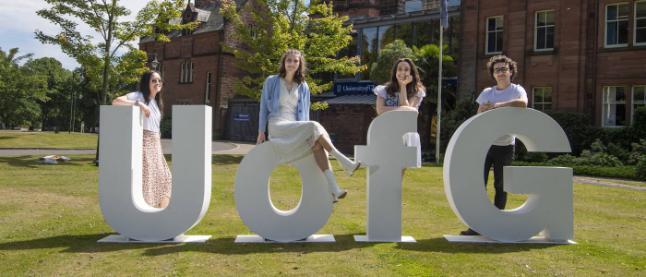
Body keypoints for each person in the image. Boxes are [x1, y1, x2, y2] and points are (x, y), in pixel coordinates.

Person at [257, 49, 360, 202]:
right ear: (284, 62)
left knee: (318, 146)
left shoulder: (303, 86)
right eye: (289, 60)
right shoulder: (272, 81)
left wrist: (311, 137)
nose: (291, 63)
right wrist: (261, 131)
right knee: (314, 125)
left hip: (295, 126)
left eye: (295, 61)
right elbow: (263, 107)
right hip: (277, 125)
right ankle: (343, 161)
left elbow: (304, 113)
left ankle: (334, 189)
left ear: (300, 64)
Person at [460, 54, 528, 236]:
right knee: (479, 185)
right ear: (493, 74)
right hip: (485, 145)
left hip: (505, 145)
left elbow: (522, 104)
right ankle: (476, 225)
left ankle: (496, 224)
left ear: (511, 71)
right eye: (497, 70)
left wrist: (497, 105)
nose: (501, 73)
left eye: (504, 69)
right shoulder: (486, 93)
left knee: (501, 185)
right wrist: (482, 109)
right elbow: (478, 115)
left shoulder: (517, 90)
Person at [112, 71, 172, 209]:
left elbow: (156, 128)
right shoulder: (140, 96)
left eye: (159, 80)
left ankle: (160, 212)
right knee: (149, 180)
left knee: (166, 178)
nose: (157, 83)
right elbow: (116, 101)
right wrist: (139, 104)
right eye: (153, 80)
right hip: (145, 143)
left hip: (155, 144)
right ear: (147, 83)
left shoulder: (157, 102)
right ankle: (149, 210)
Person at [373, 58, 426, 167]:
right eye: (400, 69)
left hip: (406, 133)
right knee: (385, 167)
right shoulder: (383, 90)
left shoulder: (418, 92)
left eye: (406, 69)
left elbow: (407, 115)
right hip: (387, 131)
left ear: (411, 72)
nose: (402, 72)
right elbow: (380, 110)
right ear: (395, 72)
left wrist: (403, 86)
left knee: (400, 168)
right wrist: (401, 108)